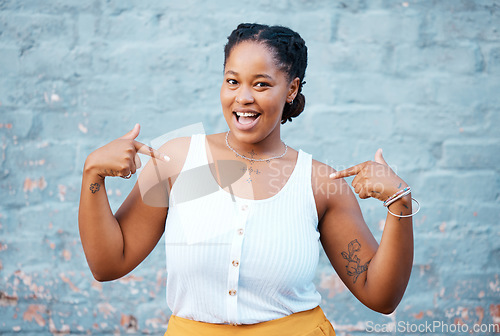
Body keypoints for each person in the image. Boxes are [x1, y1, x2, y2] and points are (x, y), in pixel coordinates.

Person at [78, 23, 417, 336]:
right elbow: (109, 263)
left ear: (291, 89)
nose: (243, 97)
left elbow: (380, 296)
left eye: (261, 84)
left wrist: (398, 201)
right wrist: (93, 175)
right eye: (232, 81)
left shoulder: (319, 183)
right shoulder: (178, 161)